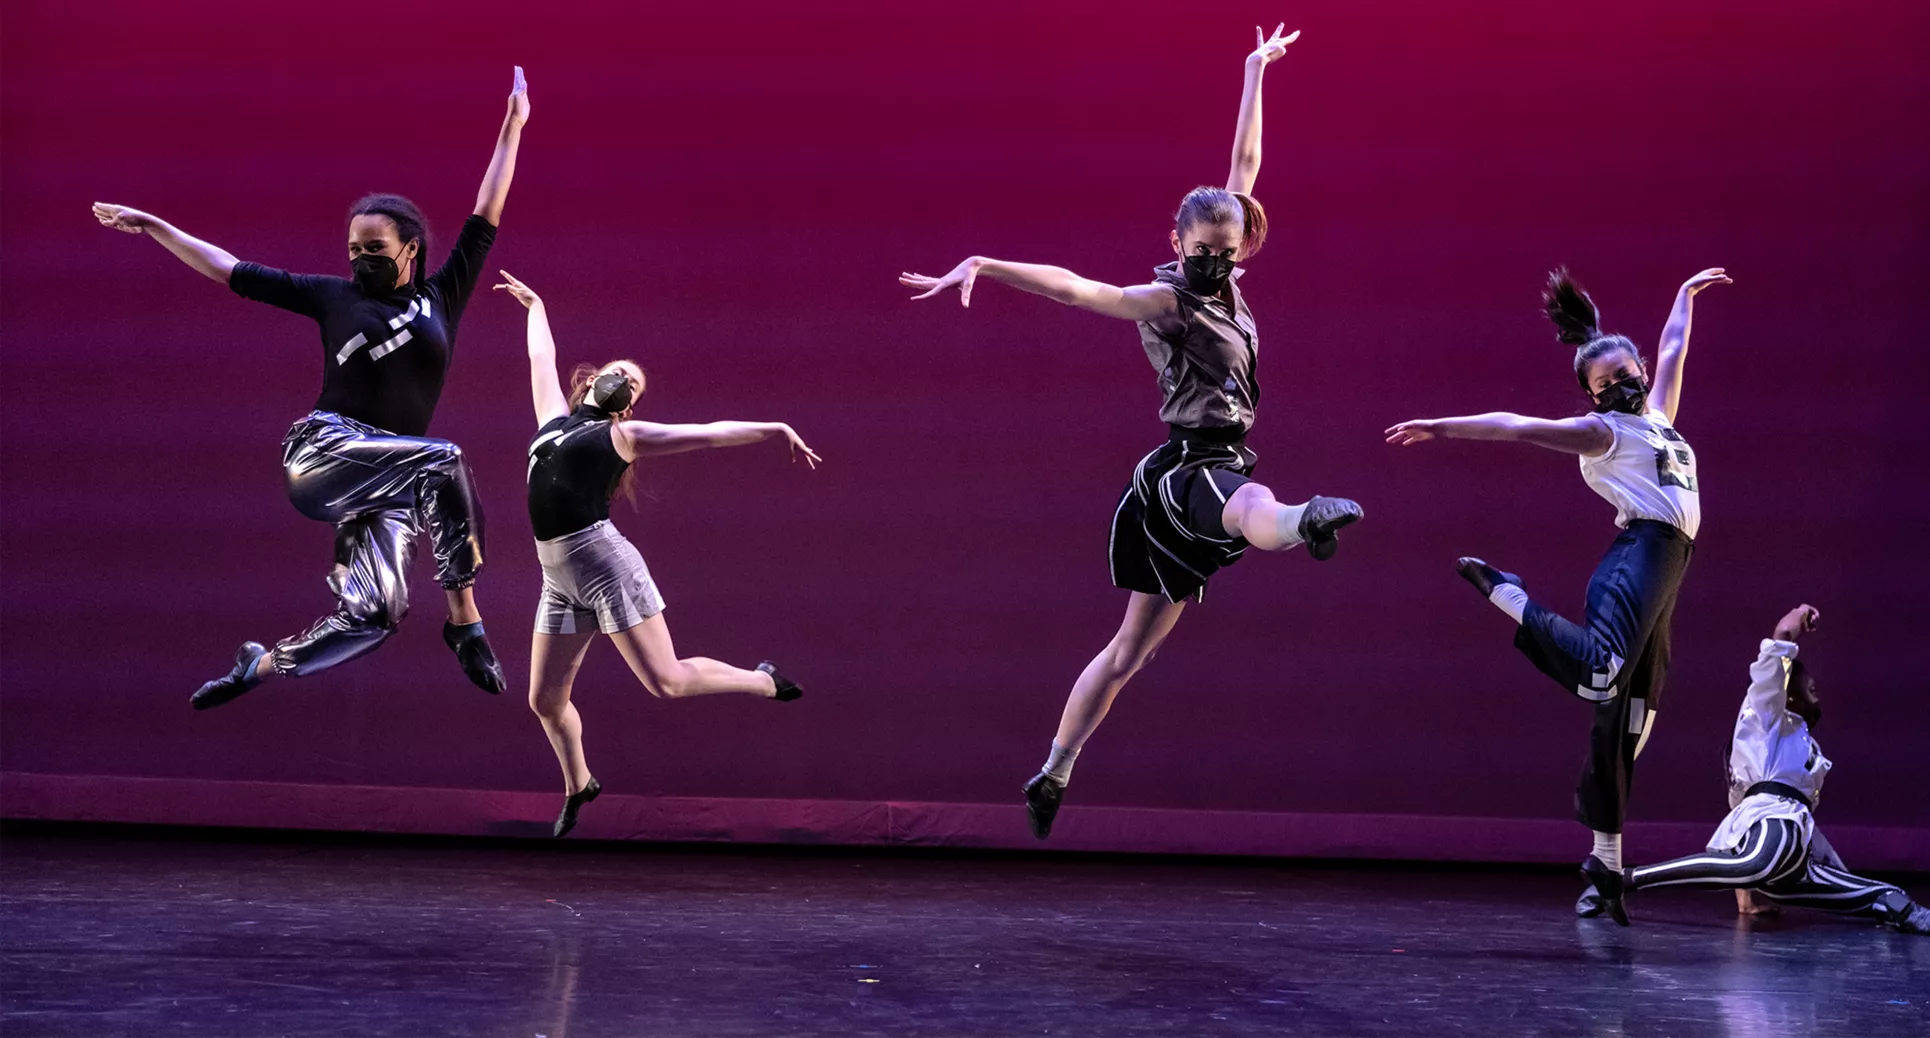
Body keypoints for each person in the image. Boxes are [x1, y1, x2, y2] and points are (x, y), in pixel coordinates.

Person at [901, 25, 1364, 840]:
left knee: (1131, 653)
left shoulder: (1227, 279)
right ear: (1176, 245)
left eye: (1227, 248)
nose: (1216, 260)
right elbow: (1082, 292)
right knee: (1250, 502)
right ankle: (1305, 521)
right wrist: (988, 263)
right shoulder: (1172, 301)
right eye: (1203, 249)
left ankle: (1053, 771)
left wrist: (1254, 72)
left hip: (1180, 482)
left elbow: (1243, 172)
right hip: (1193, 469)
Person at [93, 69, 532, 710]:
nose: (359, 258)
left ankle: (258, 666)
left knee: (376, 615)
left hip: (386, 481)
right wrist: (158, 225)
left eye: (374, 247)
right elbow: (230, 270)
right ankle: (465, 621)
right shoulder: (333, 296)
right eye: (353, 249)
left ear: (409, 248)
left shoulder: (443, 294)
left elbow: (486, 210)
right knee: (445, 459)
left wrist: (513, 124)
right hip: (326, 451)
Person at [1385, 265, 1730, 915]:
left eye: (1629, 373)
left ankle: (1605, 867)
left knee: (1630, 721)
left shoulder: (1658, 416)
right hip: (1638, 558)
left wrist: (1681, 295)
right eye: (1607, 383)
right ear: (1593, 396)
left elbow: (1676, 348)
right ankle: (1509, 594)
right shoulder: (1602, 434)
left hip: (1668, 570)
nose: (1624, 384)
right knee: (1601, 677)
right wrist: (1442, 425)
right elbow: (1515, 425)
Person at [495, 272, 822, 837]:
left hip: (604, 565)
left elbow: (710, 433)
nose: (627, 382)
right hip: (556, 575)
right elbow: (541, 358)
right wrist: (537, 305)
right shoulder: (551, 422)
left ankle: (762, 680)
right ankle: (580, 784)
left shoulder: (625, 436)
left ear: (629, 406)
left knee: (666, 682)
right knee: (545, 702)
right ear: (594, 380)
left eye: (636, 385)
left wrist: (773, 427)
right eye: (620, 373)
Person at [1579, 605, 1930, 935]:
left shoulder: (1797, 742)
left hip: (1791, 861)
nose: (1817, 695)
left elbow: (1744, 818)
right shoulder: (1766, 714)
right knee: (1757, 861)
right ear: (1789, 695)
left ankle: (1904, 910)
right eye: (1811, 689)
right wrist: (1790, 626)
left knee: (1878, 894)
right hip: (1774, 836)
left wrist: (1745, 900)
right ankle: (1621, 880)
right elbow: (1774, 662)